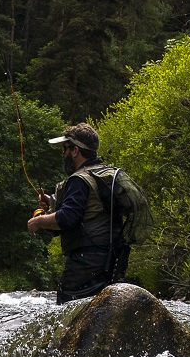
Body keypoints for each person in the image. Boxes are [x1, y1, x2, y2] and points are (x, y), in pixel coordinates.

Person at [26, 123, 130, 304]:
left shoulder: (79, 180)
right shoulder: (104, 174)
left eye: (64, 149)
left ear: (75, 151)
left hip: (86, 261)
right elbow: (94, 209)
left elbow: (67, 218)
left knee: (68, 312)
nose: (63, 154)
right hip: (112, 259)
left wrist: (38, 221)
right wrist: (53, 201)